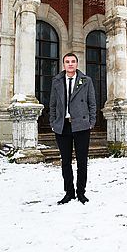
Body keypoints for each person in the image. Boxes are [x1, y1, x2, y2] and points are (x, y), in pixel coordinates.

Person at [49, 53, 97, 205]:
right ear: (63, 64)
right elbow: (52, 104)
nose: (70, 64)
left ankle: (81, 193)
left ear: (77, 64)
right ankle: (69, 193)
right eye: (67, 62)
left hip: (81, 125)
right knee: (66, 162)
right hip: (62, 126)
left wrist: (91, 122)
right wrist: (52, 122)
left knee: (82, 161)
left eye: (73, 61)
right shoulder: (56, 81)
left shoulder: (86, 80)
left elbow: (92, 103)